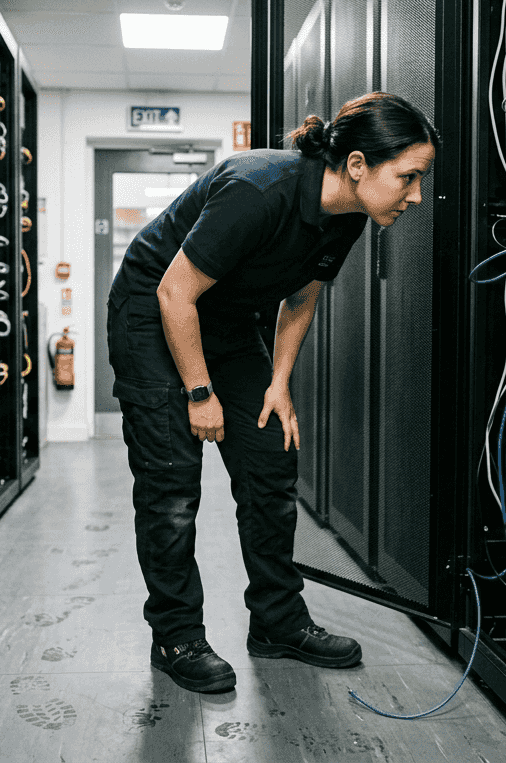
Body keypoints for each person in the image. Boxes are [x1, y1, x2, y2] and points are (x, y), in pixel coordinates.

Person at [106, 92, 438, 693]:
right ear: (358, 165)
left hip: (231, 323)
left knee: (270, 461)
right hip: (154, 316)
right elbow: (174, 294)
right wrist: (199, 393)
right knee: (172, 485)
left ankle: (278, 622)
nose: (416, 195)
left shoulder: (352, 214)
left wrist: (279, 383)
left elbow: (302, 296)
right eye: (408, 177)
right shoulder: (259, 190)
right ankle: (176, 635)